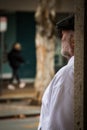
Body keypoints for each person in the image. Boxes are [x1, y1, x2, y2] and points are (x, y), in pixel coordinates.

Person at [38, 15, 74, 130]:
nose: (61, 38)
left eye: (63, 34)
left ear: (74, 41)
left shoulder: (68, 74)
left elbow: (59, 125)